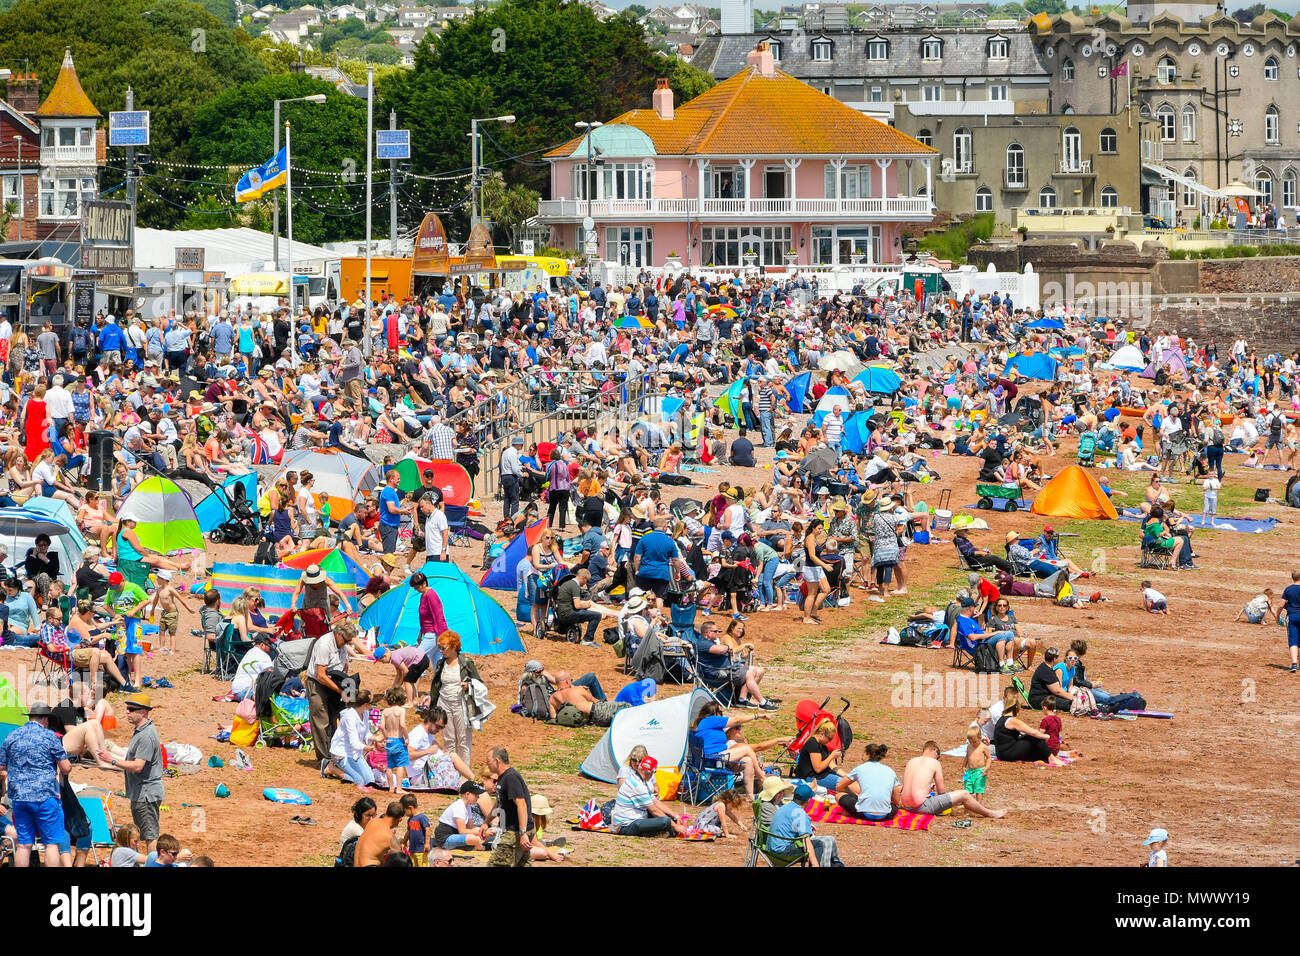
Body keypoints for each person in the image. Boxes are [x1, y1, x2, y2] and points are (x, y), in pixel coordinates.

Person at [0, 701, 73, 867]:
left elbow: (1, 766)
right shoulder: (50, 737)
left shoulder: (12, 736)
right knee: (51, 844)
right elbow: (65, 768)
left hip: (19, 799)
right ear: (45, 719)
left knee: (24, 845)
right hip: (45, 797)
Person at [97, 693, 165, 855]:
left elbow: (137, 766)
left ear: (144, 712)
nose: (128, 712)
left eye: (132, 709)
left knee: (150, 836)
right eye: (128, 708)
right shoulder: (142, 731)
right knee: (147, 833)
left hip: (145, 793)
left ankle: (153, 865)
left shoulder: (146, 735)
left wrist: (111, 759)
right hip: (142, 792)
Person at [898, 740, 1006, 818]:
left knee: (956, 798)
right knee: (964, 794)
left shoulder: (911, 761)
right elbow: (941, 792)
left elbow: (909, 787)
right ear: (934, 750)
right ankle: (989, 813)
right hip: (922, 807)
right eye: (937, 756)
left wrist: (927, 789)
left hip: (906, 805)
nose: (936, 758)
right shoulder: (935, 762)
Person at [611, 755, 689, 836]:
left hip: (634, 819)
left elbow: (655, 801)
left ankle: (662, 830)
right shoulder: (638, 785)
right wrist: (675, 826)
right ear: (652, 772)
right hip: (626, 825)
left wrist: (676, 816)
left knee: (670, 819)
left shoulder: (641, 780)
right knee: (665, 821)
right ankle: (664, 832)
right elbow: (654, 810)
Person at [767, 783, 842, 866]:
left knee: (829, 839)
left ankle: (834, 863)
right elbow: (806, 842)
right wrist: (815, 864)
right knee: (819, 844)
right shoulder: (801, 814)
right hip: (782, 853)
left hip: (771, 851)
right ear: (808, 800)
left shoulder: (785, 807)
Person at [486, 746, 532, 867]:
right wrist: (486, 822)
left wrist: (522, 833)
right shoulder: (503, 777)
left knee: (496, 864)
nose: (487, 765)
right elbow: (499, 802)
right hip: (517, 831)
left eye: (488, 762)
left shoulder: (511, 777)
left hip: (515, 832)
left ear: (497, 761)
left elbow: (521, 804)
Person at [835, 742, 900, 821]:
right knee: (894, 806)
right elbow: (896, 800)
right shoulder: (890, 771)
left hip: (863, 814)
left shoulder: (860, 768)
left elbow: (839, 786)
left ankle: (850, 812)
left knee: (839, 795)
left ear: (868, 755)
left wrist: (854, 795)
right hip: (885, 816)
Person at [432, 780, 491, 850]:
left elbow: (470, 827)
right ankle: (481, 847)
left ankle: (476, 845)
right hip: (445, 837)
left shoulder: (467, 806)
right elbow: (462, 831)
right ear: (467, 794)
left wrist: (482, 831)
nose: (478, 797)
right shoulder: (459, 806)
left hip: (456, 835)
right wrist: (482, 832)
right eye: (476, 795)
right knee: (473, 838)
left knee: (481, 836)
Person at [992, 698, 1054, 763]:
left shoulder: (1001, 719)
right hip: (1008, 754)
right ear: (1016, 707)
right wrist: (1046, 736)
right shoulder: (1013, 721)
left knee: (1033, 743)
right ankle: (1052, 758)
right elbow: (1033, 732)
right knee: (1034, 737)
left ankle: (1046, 757)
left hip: (1001, 753)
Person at [793, 719, 846, 791]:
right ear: (822, 734)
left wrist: (848, 776)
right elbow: (818, 769)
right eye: (829, 738)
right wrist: (831, 756)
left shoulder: (822, 746)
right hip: (811, 777)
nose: (829, 741)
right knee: (845, 784)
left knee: (847, 781)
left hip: (821, 775)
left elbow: (832, 765)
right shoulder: (812, 744)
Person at [355, 801, 405, 867]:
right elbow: (401, 861)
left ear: (386, 811)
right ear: (400, 819)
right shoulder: (390, 837)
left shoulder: (372, 822)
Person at [1282, 569, 1300, 673]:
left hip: (1292, 616)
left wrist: (1277, 615)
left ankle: (1294, 664)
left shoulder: (1288, 590)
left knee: (1293, 641)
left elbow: (1281, 605)